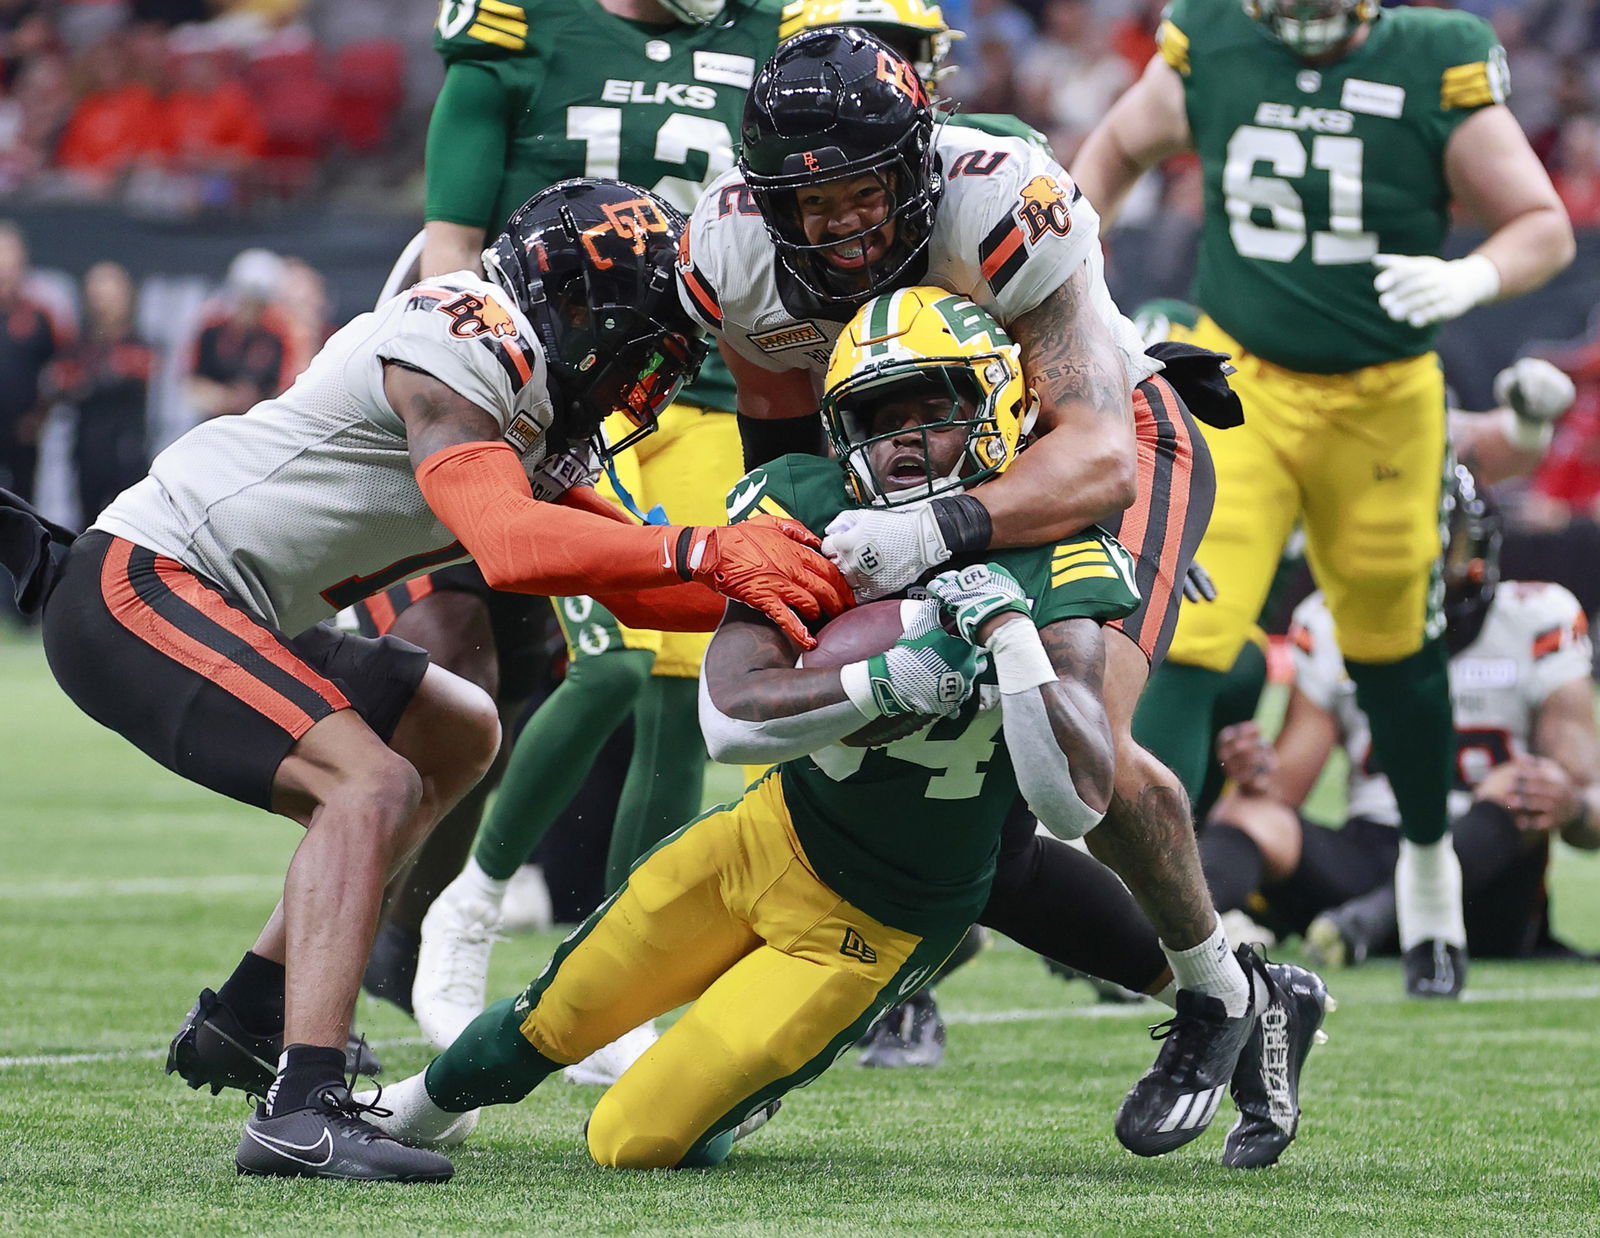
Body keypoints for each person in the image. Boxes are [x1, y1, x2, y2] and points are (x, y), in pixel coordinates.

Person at [356, 287, 1328, 1173]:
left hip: (881, 922)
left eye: (933, 408)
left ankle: (1221, 989)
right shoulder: (811, 499)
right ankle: (416, 1106)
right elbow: (729, 716)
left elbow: (1071, 799)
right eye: (878, 417)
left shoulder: (1058, 541)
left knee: (632, 1137)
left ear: (996, 404)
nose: (904, 440)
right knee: (556, 1009)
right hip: (768, 837)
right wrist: (884, 680)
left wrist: (1009, 639)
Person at [2, 179, 848, 1183]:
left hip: (237, 603)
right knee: (369, 782)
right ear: (577, 311)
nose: (649, 381)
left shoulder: (528, 392)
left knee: (457, 729)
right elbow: (508, 544)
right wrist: (707, 546)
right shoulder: (464, 333)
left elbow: (634, 583)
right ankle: (301, 1107)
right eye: (643, 347)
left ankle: (250, 1012)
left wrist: (819, 604)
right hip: (140, 584)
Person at [676, 29, 1265, 1155]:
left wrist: (930, 534)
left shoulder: (998, 201)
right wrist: (797, 568)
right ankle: (834, 999)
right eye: (813, 202)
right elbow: (783, 441)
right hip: (902, 466)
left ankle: (1215, 991)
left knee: (1078, 748)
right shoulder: (736, 252)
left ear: (916, 165)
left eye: (863, 192)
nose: (843, 224)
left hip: (1082, 445)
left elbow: (1098, 453)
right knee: (928, 784)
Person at [1071, 0, 1576, 997]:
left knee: (1394, 647)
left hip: (1383, 396)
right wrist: (1071, 278)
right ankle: (1142, 907)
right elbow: (1117, 150)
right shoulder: (1216, 36)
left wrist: (1473, 275)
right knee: (1183, 629)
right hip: (1243, 380)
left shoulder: (1431, 55)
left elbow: (1543, 225)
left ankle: (1427, 877)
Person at [366, 1, 789, 1078]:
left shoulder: (769, 34)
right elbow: (450, 253)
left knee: (684, 689)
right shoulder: (527, 26)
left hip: (702, 390)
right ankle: (470, 906)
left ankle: (617, 974)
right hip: (559, 400)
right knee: (612, 663)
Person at [1199, 468, 1600, 982]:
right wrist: (1255, 771)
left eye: (1444, 544)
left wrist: (1567, 801)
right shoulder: (1331, 619)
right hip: (1372, 852)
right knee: (1248, 811)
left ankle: (1371, 923)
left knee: (1520, 785)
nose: (1427, 563)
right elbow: (1281, 791)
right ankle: (1181, 933)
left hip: (1481, 879)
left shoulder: (1537, 618)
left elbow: (1589, 811)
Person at [45, 261, 156, 523]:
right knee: (88, 523)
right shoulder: (79, 345)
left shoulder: (139, 343)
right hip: (87, 450)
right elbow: (59, 384)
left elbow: (128, 377)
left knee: (129, 525)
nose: (103, 304)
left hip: (128, 450)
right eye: (97, 296)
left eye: (110, 296)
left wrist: (88, 384)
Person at [185, 249, 294, 420]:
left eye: (258, 305)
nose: (250, 311)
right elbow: (191, 385)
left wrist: (256, 401)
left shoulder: (277, 336)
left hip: (260, 420)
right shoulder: (213, 331)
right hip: (214, 420)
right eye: (246, 302)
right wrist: (224, 398)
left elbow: (286, 388)